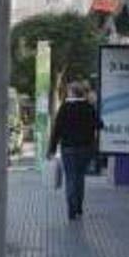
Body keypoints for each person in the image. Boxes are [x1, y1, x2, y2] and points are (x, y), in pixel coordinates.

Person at [46, 81, 99, 220]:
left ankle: (71, 209)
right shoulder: (88, 107)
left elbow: (56, 129)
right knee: (80, 177)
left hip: (68, 148)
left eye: (69, 91)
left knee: (70, 177)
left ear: (72, 92)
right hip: (85, 148)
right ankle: (79, 207)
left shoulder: (64, 108)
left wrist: (51, 149)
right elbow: (99, 124)